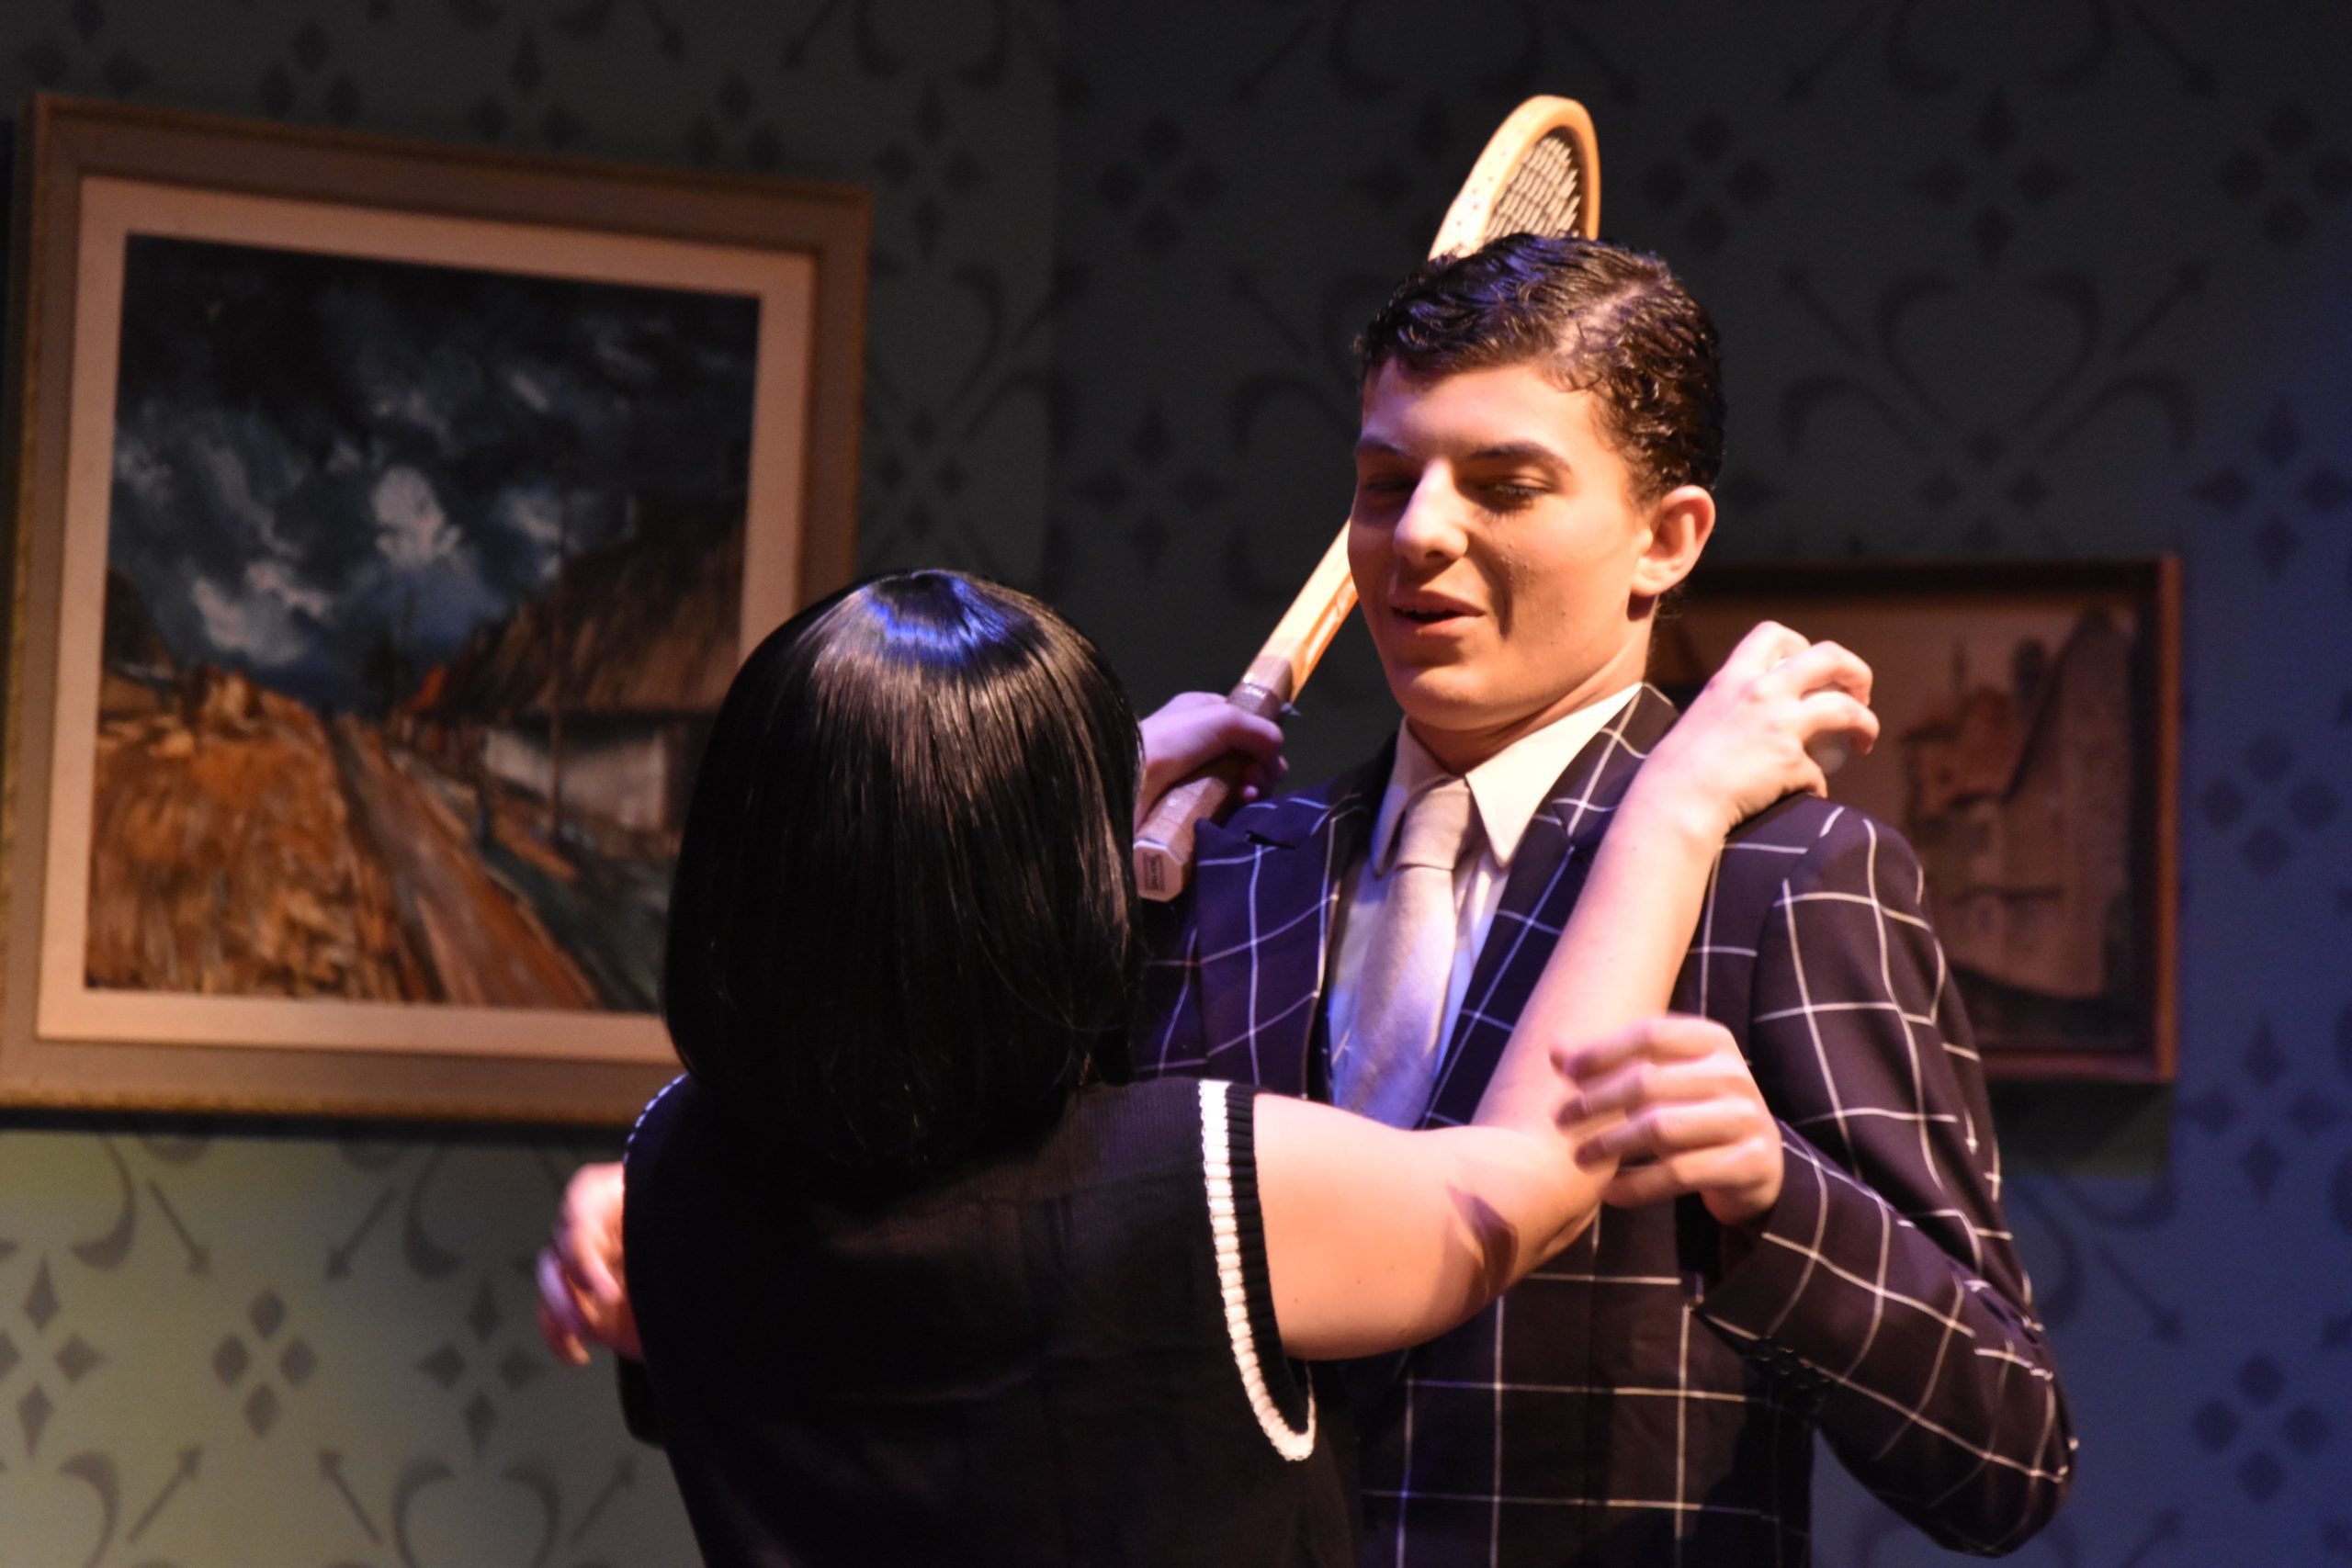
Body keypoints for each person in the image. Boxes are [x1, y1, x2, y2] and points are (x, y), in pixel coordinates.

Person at [549, 234, 2074, 1564]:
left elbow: (2008, 1456)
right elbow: (952, 1220)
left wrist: (1778, 1201)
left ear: (1665, 540)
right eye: (1386, 480)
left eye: (1505, 484)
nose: (1421, 533)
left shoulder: (1787, 879)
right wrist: (694, 1187)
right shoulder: (1218, 875)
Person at [571, 564, 1871, 1567]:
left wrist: (1069, 787)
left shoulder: (670, 1165)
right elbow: (1524, 1176)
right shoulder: (1175, 1185)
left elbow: (880, 891)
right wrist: (1673, 808)